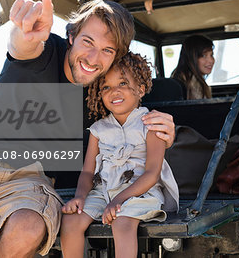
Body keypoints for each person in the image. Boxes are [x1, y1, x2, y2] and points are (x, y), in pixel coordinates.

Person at [0, 0, 176, 258]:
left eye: (107, 50)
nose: (93, 58)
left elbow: (132, 129)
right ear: (71, 35)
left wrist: (165, 132)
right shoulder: (44, 51)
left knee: (27, 227)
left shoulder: (103, 96)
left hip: (27, 178)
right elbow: (22, 46)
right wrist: (23, 33)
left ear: (117, 57)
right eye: (87, 42)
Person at [60, 52, 179, 258]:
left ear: (141, 90)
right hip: (103, 191)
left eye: (123, 83)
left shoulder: (151, 123)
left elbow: (152, 173)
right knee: (70, 221)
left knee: (122, 223)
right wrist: (79, 197)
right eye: (106, 87)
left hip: (140, 193)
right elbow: (88, 171)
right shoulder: (98, 129)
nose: (114, 91)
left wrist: (119, 200)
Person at [171, 35, 215, 99]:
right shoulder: (186, 83)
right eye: (203, 55)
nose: (211, 60)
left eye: (211, 55)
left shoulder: (193, 80)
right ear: (192, 58)